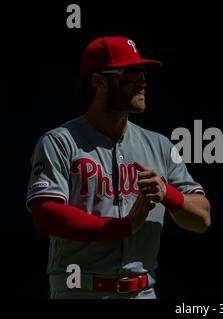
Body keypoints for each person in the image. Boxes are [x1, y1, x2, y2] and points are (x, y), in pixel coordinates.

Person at [26, 36, 211, 299]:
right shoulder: (60, 141)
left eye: (143, 73)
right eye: (130, 73)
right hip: (81, 290)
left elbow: (203, 218)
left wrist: (167, 193)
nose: (142, 81)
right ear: (98, 81)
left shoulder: (160, 145)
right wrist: (121, 227)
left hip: (143, 292)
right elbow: (45, 215)